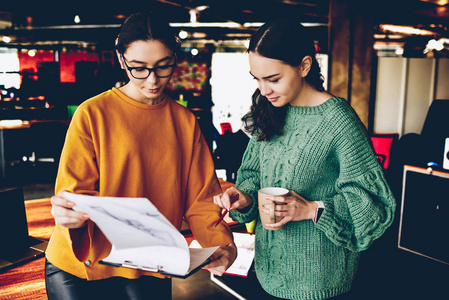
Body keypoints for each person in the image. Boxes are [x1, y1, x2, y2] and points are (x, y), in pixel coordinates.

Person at [45, 11, 236, 300]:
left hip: (152, 263)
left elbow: (201, 200)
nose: (152, 80)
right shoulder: (92, 114)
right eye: (138, 67)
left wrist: (221, 243)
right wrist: (70, 215)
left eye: (163, 66)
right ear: (121, 60)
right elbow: (75, 194)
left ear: (174, 58)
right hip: (82, 267)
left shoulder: (185, 122)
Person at [213, 19, 396, 300]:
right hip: (267, 274)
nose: (264, 90)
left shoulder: (338, 120)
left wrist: (312, 209)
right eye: (257, 79)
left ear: (304, 66)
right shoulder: (270, 111)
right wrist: (243, 197)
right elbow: (252, 176)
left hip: (320, 282)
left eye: (273, 79)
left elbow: (375, 204)